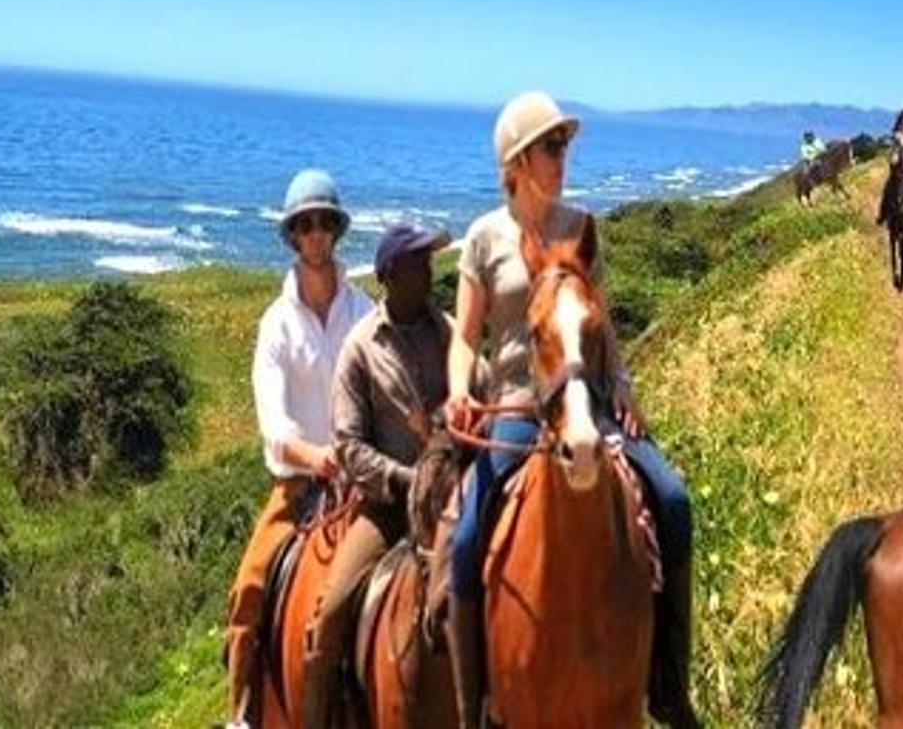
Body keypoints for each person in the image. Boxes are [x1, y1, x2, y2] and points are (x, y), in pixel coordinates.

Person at [439, 92, 699, 729]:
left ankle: (668, 684)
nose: (563, 158)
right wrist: (458, 389)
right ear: (517, 161)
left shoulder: (581, 227)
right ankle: (479, 706)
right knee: (467, 539)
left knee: (672, 499)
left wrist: (627, 391)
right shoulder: (484, 238)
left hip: (591, 402)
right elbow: (467, 337)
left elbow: (601, 327)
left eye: (564, 146)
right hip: (518, 410)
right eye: (550, 147)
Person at [223, 168, 374, 729]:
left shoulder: (366, 313)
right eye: (305, 225)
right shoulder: (276, 326)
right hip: (300, 485)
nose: (315, 234)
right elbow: (275, 429)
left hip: (361, 480)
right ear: (293, 236)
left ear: (335, 232)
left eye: (324, 224)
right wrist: (320, 458)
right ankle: (242, 714)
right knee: (250, 589)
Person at [298, 222, 454, 729]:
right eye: (418, 264)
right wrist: (410, 481)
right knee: (329, 619)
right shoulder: (360, 348)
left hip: (453, 506)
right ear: (390, 275)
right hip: (387, 509)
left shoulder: (453, 334)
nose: (429, 272)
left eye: (429, 262)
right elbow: (349, 447)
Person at [797, 130, 824, 207]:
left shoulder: (817, 141)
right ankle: (810, 183)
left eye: (810, 136)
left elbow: (823, 149)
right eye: (807, 137)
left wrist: (819, 153)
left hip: (821, 158)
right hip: (810, 161)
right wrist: (813, 157)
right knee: (807, 171)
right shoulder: (804, 146)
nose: (809, 138)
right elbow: (805, 156)